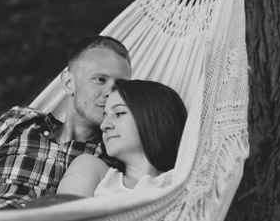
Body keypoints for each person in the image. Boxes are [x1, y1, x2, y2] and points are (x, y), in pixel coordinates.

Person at [0, 35, 132, 210]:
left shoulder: (114, 154)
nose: (111, 92)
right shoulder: (20, 121)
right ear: (69, 83)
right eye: (100, 79)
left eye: (121, 85)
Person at [56, 79, 187, 198]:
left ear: (155, 118)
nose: (103, 125)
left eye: (119, 113)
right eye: (104, 116)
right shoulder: (92, 169)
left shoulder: (186, 184)